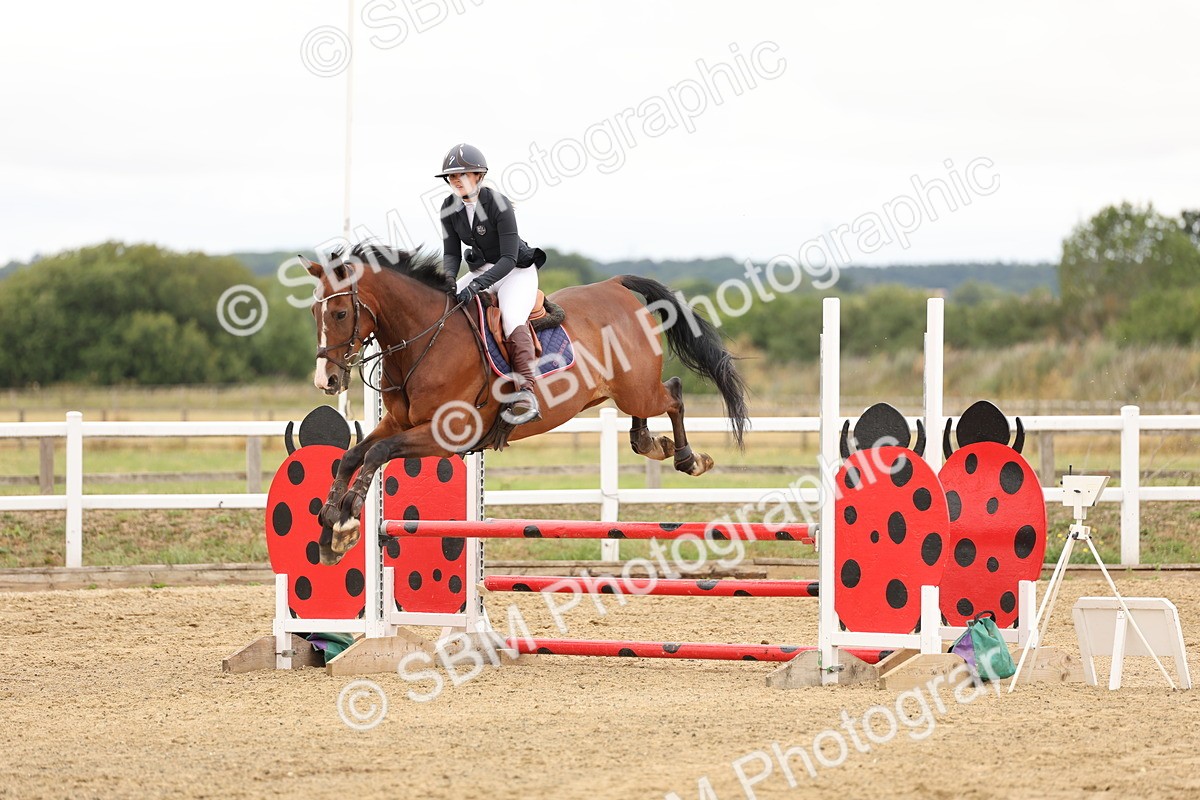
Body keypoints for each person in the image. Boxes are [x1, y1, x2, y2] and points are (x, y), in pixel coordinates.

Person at [437, 143, 546, 425]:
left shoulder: (497, 204)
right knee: (446, 308)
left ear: (479, 175)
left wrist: (476, 285)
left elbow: (508, 259)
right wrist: (449, 279)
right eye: (452, 176)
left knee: (510, 319)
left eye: (462, 175)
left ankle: (526, 392)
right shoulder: (449, 207)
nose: (456, 181)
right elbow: (451, 253)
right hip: (484, 270)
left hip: (516, 271)